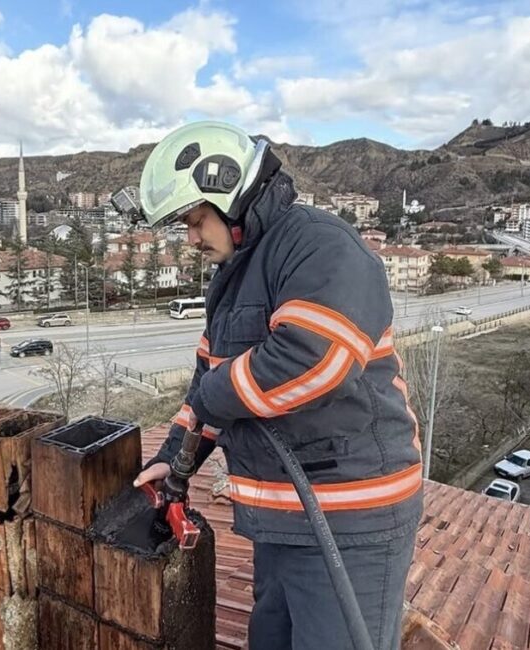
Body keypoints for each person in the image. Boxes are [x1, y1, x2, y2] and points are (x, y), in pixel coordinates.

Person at [131, 121, 423, 650]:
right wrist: (176, 458)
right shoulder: (236, 274)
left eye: (195, 221)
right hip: (283, 517)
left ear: (231, 195)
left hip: (348, 518)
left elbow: (314, 360)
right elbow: (210, 373)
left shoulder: (318, 246)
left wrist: (212, 396)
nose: (191, 239)